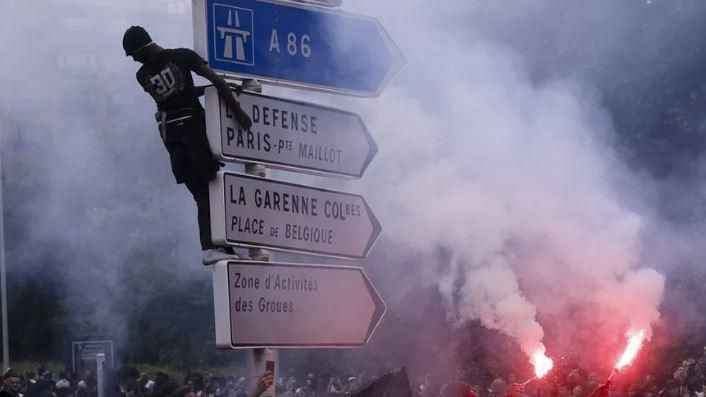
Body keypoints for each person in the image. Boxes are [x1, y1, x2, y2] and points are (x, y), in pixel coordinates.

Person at [122, 25, 252, 264]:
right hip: (192, 132)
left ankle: (217, 245)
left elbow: (181, 94)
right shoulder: (181, 57)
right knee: (209, 188)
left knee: (201, 192)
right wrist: (239, 114)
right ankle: (213, 245)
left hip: (172, 139)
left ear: (142, 49)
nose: (134, 60)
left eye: (133, 55)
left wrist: (211, 90)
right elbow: (214, 82)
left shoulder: (143, 76)